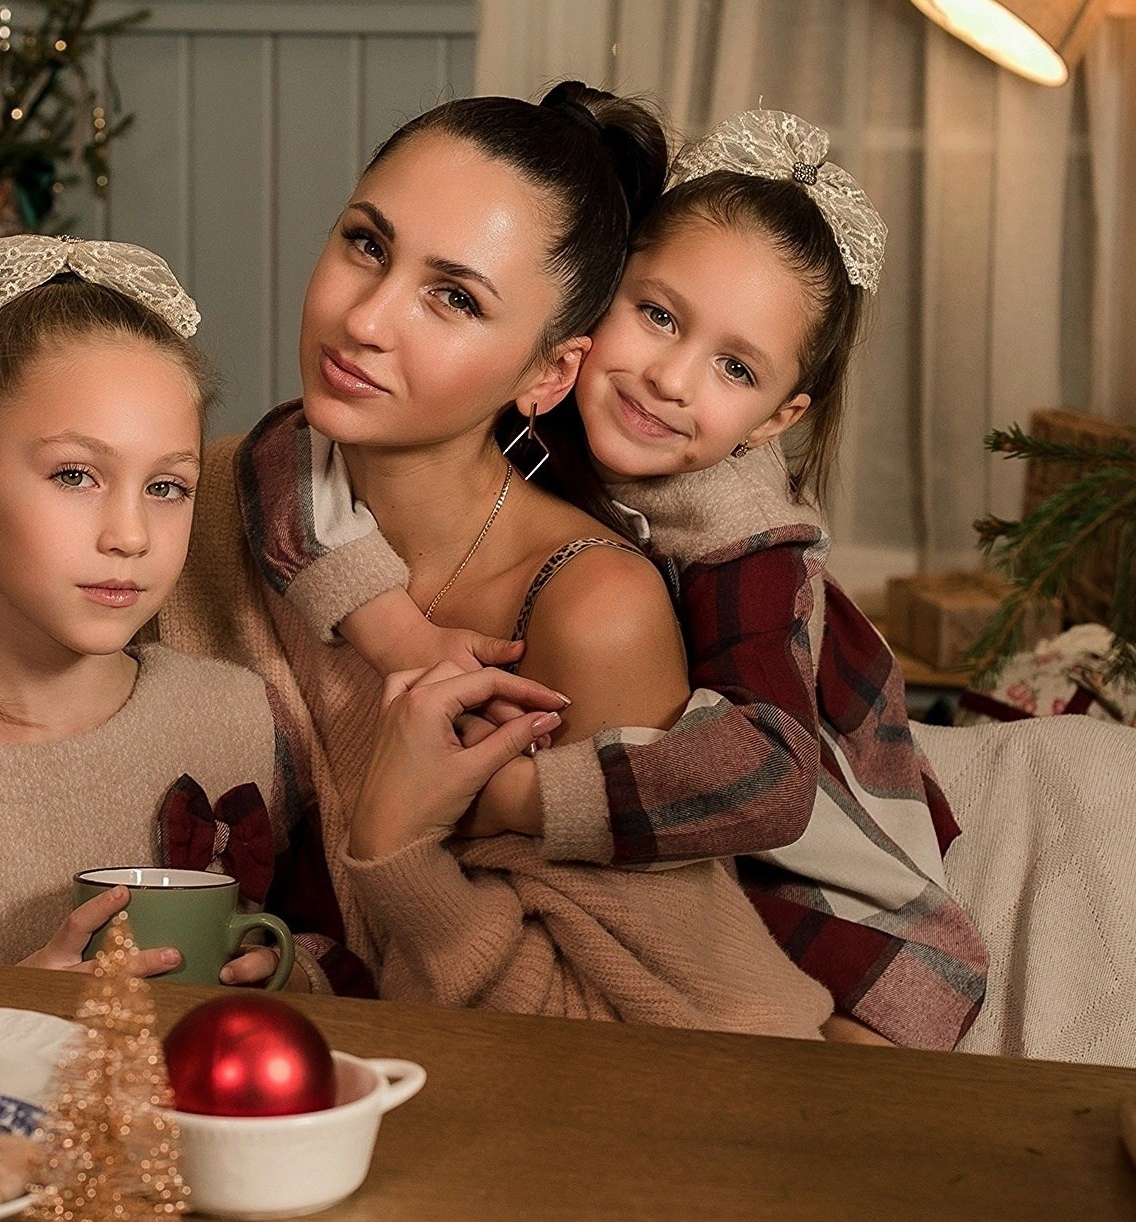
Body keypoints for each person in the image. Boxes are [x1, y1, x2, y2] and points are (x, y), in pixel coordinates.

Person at [237, 109, 988, 1049]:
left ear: (774, 419)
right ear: (591, 316)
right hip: (684, 843)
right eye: (658, 315)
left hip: (829, 881)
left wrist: (512, 796)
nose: (670, 377)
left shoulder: (746, 533)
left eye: (734, 367)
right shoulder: (554, 410)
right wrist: (403, 636)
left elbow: (771, 781)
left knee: (833, 1081)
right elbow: (281, 450)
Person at [157, 82, 834, 1035]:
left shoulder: (592, 608)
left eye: (455, 297)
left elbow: (638, 1033)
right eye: (367, 244)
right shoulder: (205, 497)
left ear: (549, 372)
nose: (366, 320)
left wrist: (399, 849)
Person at [0, 237, 542, 989]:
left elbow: (336, 949)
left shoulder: (245, 722)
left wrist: (290, 975)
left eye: (167, 486)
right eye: (76, 475)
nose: (130, 534)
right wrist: (6, 1005)